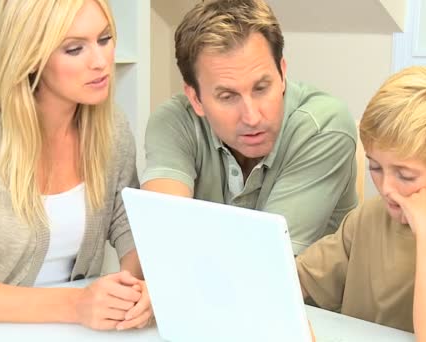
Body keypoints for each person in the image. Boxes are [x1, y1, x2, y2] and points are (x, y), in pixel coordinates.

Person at [0, 0, 151, 331]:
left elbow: (131, 231)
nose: (100, 61)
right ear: (31, 56)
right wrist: (75, 305)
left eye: (104, 39)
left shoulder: (110, 128)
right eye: (74, 48)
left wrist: (139, 289)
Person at [297, 66, 426, 342]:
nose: (386, 188)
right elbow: (296, 280)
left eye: (405, 175)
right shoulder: (368, 217)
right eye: (375, 167)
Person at [142, 0, 358, 254]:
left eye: (261, 88)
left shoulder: (324, 127)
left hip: (299, 294)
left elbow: (266, 259)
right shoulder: (174, 121)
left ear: (282, 73)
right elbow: (163, 238)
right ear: (196, 99)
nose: (252, 117)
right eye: (228, 96)